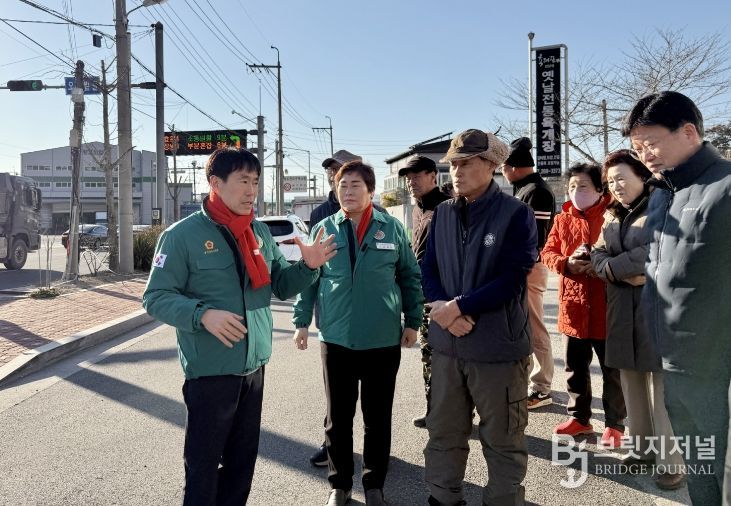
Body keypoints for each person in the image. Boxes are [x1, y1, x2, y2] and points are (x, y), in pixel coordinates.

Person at [142, 148, 336, 505]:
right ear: (215, 183)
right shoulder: (182, 235)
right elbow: (155, 297)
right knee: (202, 468)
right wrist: (202, 314)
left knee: (241, 466)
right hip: (211, 372)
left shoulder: (257, 231)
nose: (252, 191)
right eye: (243, 181)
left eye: (256, 182)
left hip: (254, 367)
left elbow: (281, 284)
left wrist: (308, 267)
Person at [292, 160, 423, 506]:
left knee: (377, 418)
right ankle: (340, 485)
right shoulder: (323, 229)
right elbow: (309, 279)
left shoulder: (392, 228)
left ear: (371, 190)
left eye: (355, 185)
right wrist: (301, 322)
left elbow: (410, 276)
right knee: (338, 419)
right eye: (342, 185)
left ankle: (374, 483)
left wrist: (413, 321)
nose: (347, 192)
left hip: (382, 339)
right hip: (337, 340)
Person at [623, 90, 731, 505]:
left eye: (651, 143)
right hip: (674, 362)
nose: (645, 155)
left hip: (719, 372)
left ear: (688, 132)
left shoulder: (724, 187)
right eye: (637, 148)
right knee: (699, 472)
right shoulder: (662, 194)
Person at [422, 129, 537, 505]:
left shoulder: (515, 213)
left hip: (497, 349)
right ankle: (443, 498)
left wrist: (459, 307)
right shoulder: (442, 213)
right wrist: (444, 311)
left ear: (491, 166)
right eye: (453, 164)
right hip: (447, 347)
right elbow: (428, 269)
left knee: (503, 439)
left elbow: (513, 276)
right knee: (443, 432)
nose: (456, 171)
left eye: (466, 163)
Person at [591, 149, 685, 490]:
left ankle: (671, 461)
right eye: (610, 181)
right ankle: (642, 450)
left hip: (658, 308)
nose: (616, 186)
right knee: (631, 382)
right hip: (621, 309)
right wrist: (612, 269)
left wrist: (610, 268)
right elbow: (597, 252)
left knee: (663, 387)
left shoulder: (664, 205)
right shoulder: (611, 214)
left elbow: (657, 251)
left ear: (642, 175)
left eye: (622, 178)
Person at [308, 149, 387, 467]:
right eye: (332, 171)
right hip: (333, 317)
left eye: (340, 170)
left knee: (373, 398)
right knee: (337, 395)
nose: (335, 175)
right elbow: (312, 270)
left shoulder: (380, 215)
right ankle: (332, 447)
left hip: (373, 324)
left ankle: (374, 451)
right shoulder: (320, 215)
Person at [541, 162, 626, 446]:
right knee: (575, 368)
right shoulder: (562, 219)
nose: (576, 191)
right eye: (572, 186)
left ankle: (615, 424)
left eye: (584, 186)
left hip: (607, 307)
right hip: (573, 308)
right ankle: (579, 418)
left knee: (612, 370)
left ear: (600, 189)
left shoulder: (614, 215)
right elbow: (548, 253)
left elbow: (625, 254)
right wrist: (567, 264)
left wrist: (601, 267)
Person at [501, 137, 556, 410]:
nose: (502, 172)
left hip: (529, 268)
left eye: (503, 167)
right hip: (521, 267)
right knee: (522, 325)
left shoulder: (536, 190)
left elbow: (536, 239)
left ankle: (542, 386)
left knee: (534, 326)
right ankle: (531, 381)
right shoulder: (525, 189)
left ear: (513, 167)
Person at [399, 155, 450, 428]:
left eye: (417, 176)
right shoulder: (417, 209)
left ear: (433, 176)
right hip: (423, 296)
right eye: (408, 178)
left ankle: (450, 414)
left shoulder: (447, 207)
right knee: (429, 356)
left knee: (443, 357)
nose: (411, 182)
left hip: (443, 297)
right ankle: (435, 411)